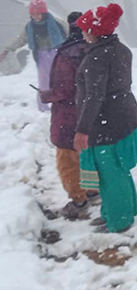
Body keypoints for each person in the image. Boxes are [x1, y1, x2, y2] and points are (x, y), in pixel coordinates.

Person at [74, 4, 137, 234]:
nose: (83, 34)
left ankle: (120, 220)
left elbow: (95, 96)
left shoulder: (97, 58)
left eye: (85, 29)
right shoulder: (121, 49)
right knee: (119, 170)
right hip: (123, 116)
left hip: (106, 122)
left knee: (110, 174)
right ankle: (117, 211)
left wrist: (82, 129)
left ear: (95, 32)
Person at [39, 12, 97, 220]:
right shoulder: (95, 49)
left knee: (68, 161)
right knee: (87, 156)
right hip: (92, 114)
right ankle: (92, 191)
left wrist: (45, 96)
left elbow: (63, 90)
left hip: (68, 116)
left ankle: (78, 199)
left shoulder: (66, 54)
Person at [0, 0, 67, 111]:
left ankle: (63, 102)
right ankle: (43, 106)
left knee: (61, 78)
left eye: (38, 14)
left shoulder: (56, 23)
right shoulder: (30, 27)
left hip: (58, 52)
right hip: (41, 54)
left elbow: (69, 33)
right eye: (33, 14)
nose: (36, 17)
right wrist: (8, 49)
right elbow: (21, 39)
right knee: (44, 81)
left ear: (44, 13)